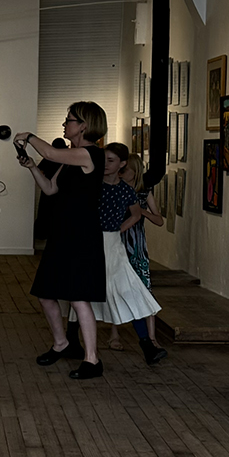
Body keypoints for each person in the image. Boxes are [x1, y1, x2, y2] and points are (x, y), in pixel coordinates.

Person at [15, 103, 107, 379]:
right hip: (62, 234)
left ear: (84, 125)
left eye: (69, 120)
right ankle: (61, 343)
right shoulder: (70, 159)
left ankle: (92, 360)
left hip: (81, 236)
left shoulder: (89, 155)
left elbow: (50, 152)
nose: (64, 125)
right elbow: (50, 188)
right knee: (45, 293)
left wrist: (29, 137)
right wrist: (32, 166)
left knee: (79, 298)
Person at [95, 143, 167, 365]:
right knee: (85, 293)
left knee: (128, 289)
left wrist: (116, 229)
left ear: (122, 164)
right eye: (104, 160)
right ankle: (72, 340)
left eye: (111, 161)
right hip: (93, 242)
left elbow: (136, 214)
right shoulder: (94, 185)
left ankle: (146, 343)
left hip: (113, 243)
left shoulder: (125, 190)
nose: (106, 165)